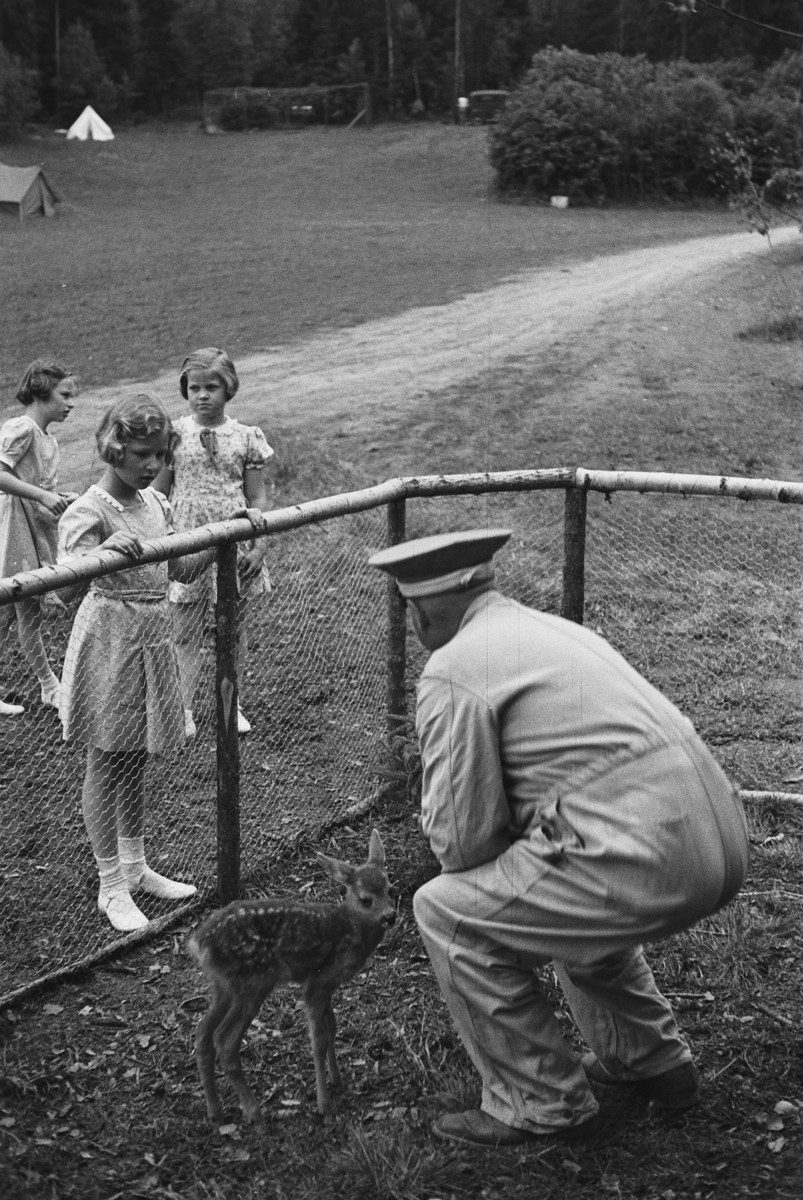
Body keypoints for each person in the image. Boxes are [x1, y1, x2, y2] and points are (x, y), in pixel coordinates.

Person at [368, 528, 749, 1149]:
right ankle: (652, 1063)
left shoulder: (454, 668)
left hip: (647, 856)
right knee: (562, 897)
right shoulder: (553, 631)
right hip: (721, 838)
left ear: (420, 609)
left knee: (447, 913)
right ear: (484, 583)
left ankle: (540, 1102)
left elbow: (460, 843)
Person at [59, 395, 216, 933]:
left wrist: (225, 537)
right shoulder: (90, 508)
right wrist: (99, 555)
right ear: (114, 447)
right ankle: (109, 885)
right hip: (109, 642)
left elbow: (182, 570)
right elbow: (62, 586)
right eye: (144, 454)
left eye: (160, 454)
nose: (153, 465)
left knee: (134, 760)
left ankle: (135, 866)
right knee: (105, 759)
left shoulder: (156, 504)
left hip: (152, 637)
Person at [154, 347, 273, 739]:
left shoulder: (246, 438)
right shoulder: (172, 435)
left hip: (233, 543)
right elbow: (158, 494)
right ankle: (183, 708)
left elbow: (256, 500)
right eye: (194, 388)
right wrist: (164, 540)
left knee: (230, 631)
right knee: (184, 630)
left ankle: (230, 703)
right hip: (188, 543)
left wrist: (258, 547)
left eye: (212, 387)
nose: (202, 395)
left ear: (229, 389)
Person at [0, 360, 79, 713]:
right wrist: (41, 496)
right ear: (41, 391)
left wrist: (60, 500)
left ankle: (49, 686)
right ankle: (50, 685)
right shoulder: (22, 428)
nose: (70, 403)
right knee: (17, 606)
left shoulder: (49, 439)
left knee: (23, 610)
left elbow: (45, 487)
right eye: (65, 394)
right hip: (13, 526)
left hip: (36, 526)